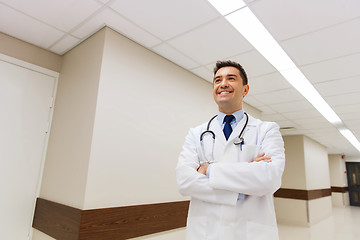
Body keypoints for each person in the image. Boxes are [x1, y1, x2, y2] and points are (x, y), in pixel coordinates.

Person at [176, 60, 285, 240]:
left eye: (231, 78)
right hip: (206, 232)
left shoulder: (266, 129)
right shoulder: (196, 133)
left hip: (250, 232)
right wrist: (242, 187)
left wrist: (208, 169)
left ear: (245, 89)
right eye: (217, 80)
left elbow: (270, 179)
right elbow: (184, 181)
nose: (223, 84)